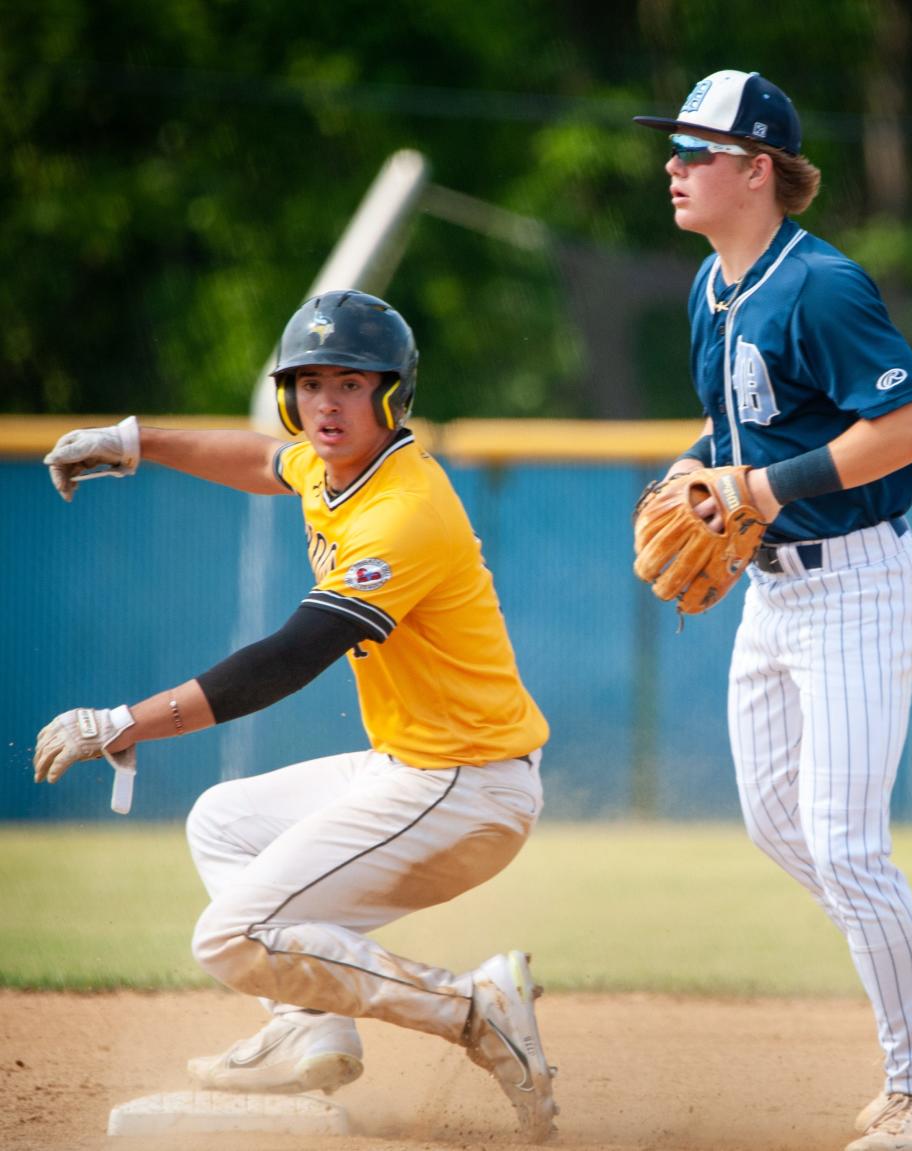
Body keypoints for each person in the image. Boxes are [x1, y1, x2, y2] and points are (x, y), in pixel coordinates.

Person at [33, 289, 558, 1142]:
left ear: (393, 394)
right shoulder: (332, 462)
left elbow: (287, 658)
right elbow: (261, 462)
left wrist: (122, 721)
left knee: (229, 937)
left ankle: (472, 1007)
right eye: (309, 383)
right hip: (416, 765)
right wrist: (138, 442)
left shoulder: (403, 511)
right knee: (224, 821)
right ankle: (309, 1023)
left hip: (466, 787)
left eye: (350, 383)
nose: (325, 403)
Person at [632, 70, 912, 1151]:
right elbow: (731, 435)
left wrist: (760, 490)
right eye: (672, 150)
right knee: (780, 821)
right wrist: (696, 469)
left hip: (859, 581)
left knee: (846, 841)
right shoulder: (710, 287)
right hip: (771, 595)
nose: (672, 167)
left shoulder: (819, 285)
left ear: (759, 167)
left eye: (696, 151)